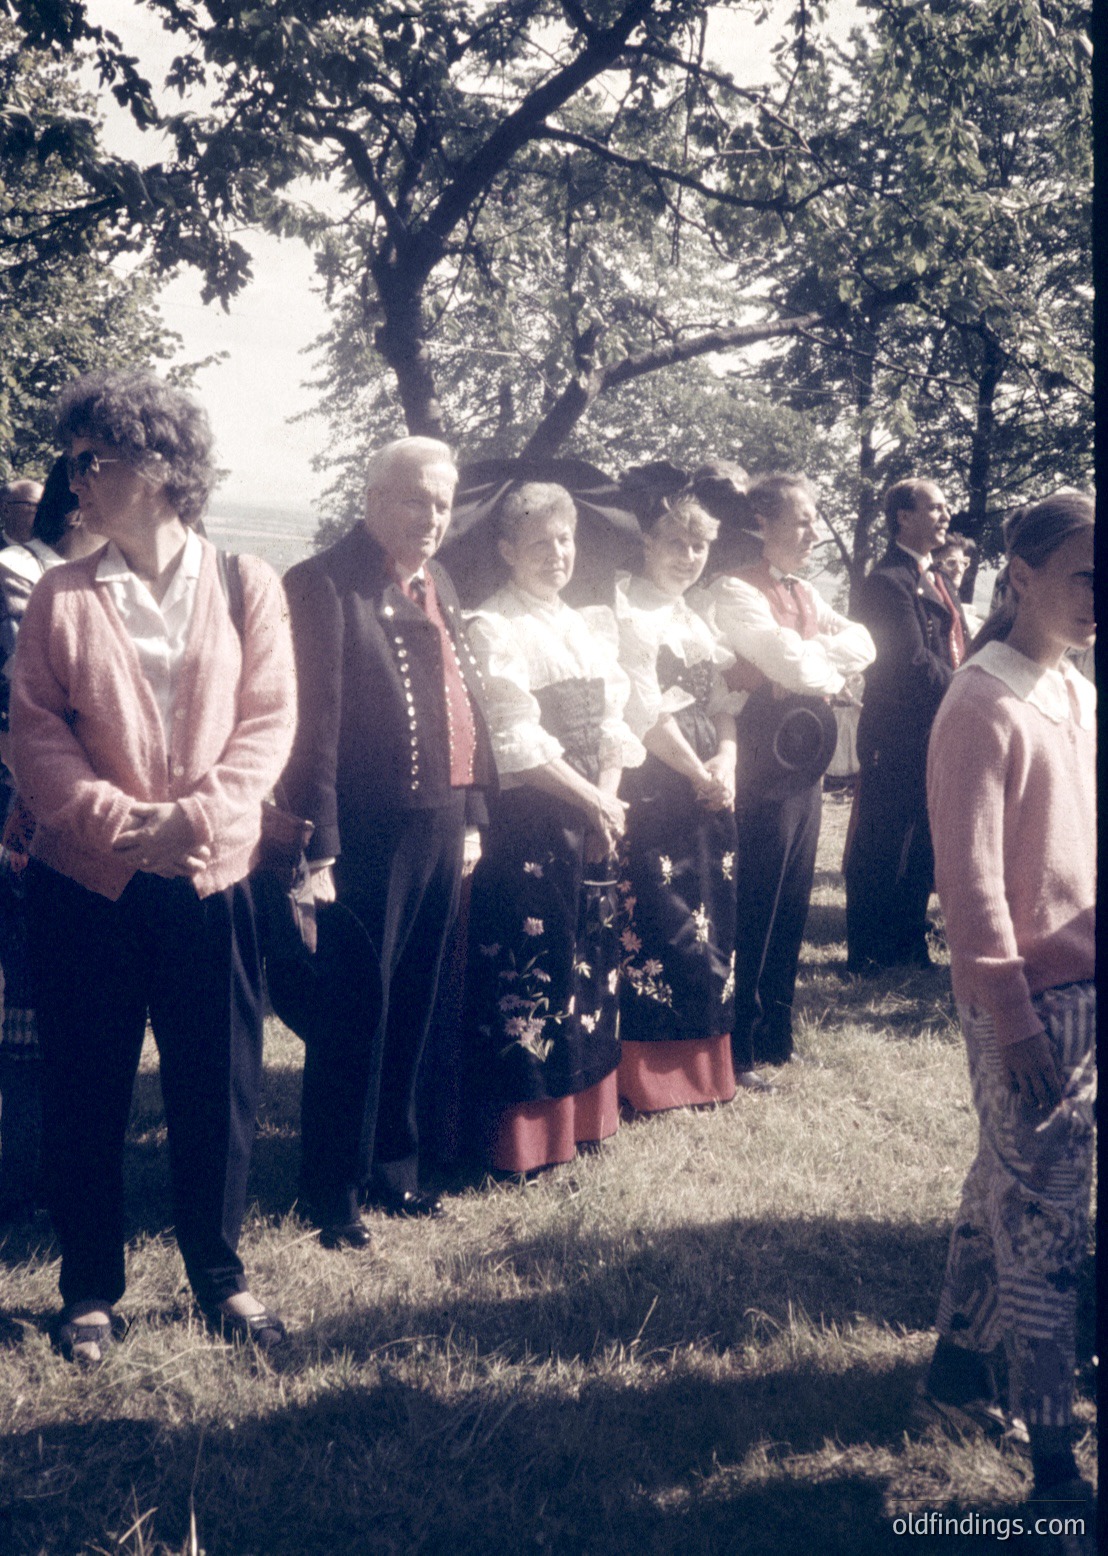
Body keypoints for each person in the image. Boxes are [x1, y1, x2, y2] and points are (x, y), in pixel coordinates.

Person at [9, 369, 296, 1361]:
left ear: (165, 468)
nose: (75, 480)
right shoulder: (59, 593)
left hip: (210, 880)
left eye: (95, 459)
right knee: (87, 1083)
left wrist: (202, 820)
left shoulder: (244, 583)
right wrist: (122, 824)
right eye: (74, 460)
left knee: (215, 1081)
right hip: (87, 881)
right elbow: (35, 732)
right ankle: (88, 1286)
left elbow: (267, 721)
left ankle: (221, 1276)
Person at [919, 492, 1095, 1509]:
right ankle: (1056, 1459)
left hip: (1082, 983)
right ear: (1020, 577)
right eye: (1083, 575)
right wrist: (1014, 1016)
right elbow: (973, 883)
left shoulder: (1073, 686)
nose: (1097, 599)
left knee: (1008, 1178)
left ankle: (952, 1372)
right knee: (1046, 1223)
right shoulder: (980, 702)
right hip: (1026, 1004)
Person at [282, 437, 494, 1244]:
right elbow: (315, 730)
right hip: (364, 837)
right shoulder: (324, 584)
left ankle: (393, 1170)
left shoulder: (436, 581)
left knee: (415, 1004)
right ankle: (329, 1190)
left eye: (443, 503)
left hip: (440, 824)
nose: (433, 517)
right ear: (372, 498)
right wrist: (321, 847)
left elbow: (458, 705)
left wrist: (470, 815)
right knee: (352, 1011)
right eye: (416, 500)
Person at [463, 482, 643, 1171]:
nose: (556, 553)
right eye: (539, 542)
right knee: (534, 965)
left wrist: (608, 799)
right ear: (507, 550)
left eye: (565, 539)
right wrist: (590, 802)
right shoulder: (494, 626)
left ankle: (586, 1118)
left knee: (590, 959)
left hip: (595, 816)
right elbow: (514, 738)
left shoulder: (589, 625)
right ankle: (523, 1137)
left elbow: (612, 728)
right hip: (533, 820)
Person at [700, 474, 874, 1076]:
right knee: (755, 899)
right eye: (801, 520)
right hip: (760, 761)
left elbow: (864, 641)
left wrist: (806, 665)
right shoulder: (733, 589)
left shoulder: (802, 591)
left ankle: (776, 1036)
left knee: (793, 899)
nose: (813, 531)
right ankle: (738, 1046)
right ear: (761, 525)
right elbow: (786, 660)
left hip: (805, 762)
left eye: (815, 518)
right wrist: (807, 666)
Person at [609, 496, 741, 1112]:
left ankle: (709, 1070)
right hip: (658, 780)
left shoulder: (697, 619)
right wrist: (695, 770)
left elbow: (723, 706)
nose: (687, 558)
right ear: (647, 545)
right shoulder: (626, 612)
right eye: (675, 544)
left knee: (714, 911)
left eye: (699, 546)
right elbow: (640, 710)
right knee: (664, 915)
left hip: (710, 783)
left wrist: (727, 765)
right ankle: (652, 1078)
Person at [0, 460, 105, 1225]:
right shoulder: (20, 577)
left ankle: (49, 1173)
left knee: (58, 1001)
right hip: (21, 813)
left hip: (75, 817)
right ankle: (25, 1181)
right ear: (79, 507)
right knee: (26, 1000)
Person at [844, 478, 965, 972]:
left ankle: (908, 945)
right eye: (935, 508)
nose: (946, 515)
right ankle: (871, 952)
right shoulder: (887, 582)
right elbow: (912, 661)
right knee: (883, 842)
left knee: (921, 842)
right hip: (896, 735)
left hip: (934, 731)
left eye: (945, 507)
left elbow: (956, 643)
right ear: (903, 517)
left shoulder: (938, 576)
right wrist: (968, 686)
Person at [933, 531, 981, 634]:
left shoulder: (955, 600)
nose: (959, 569)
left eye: (963, 563)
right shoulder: (933, 601)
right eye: (951, 563)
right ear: (934, 564)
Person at [0, 479, 43, 546]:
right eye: (34, 505)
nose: (42, 512)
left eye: (45, 506)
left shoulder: (55, 552)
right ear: (6, 510)